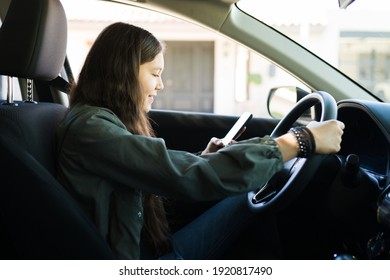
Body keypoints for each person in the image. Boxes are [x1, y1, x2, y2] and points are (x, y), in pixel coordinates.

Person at [56, 22, 345, 260]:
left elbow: (157, 175)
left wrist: (205, 157)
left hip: (143, 249)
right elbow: (180, 174)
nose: (160, 85)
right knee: (244, 199)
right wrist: (299, 141)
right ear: (123, 73)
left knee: (246, 194)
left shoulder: (99, 122)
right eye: (155, 74)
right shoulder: (92, 129)